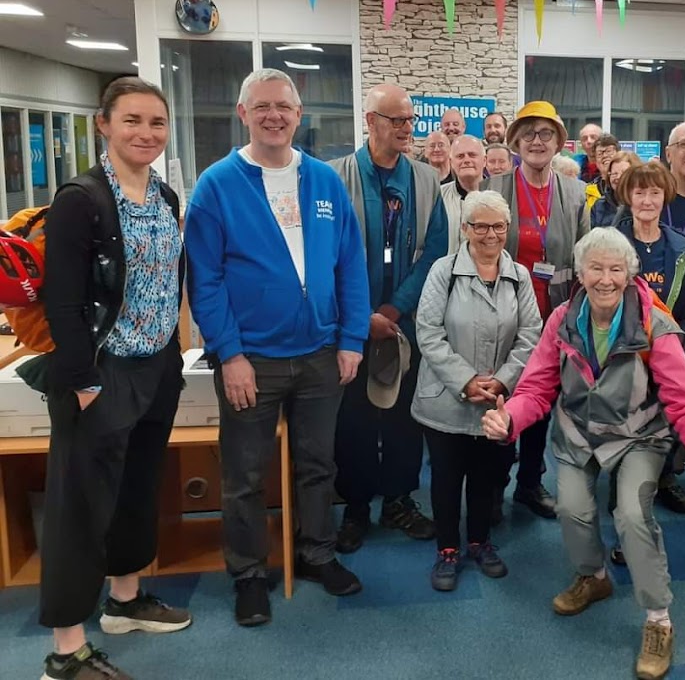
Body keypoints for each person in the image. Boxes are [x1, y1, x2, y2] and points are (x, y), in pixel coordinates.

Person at [480, 227, 685, 680]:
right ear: (580, 274)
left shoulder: (655, 325)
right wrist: (509, 419)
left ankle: (659, 619)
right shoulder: (562, 319)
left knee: (633, 517)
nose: (605, 279)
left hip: (639, 435)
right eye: (595, 268)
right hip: (578, 433)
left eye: (616, 269)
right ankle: (594, 578)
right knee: (572, 509)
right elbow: (537, 387)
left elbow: (684, 402)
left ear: (629, 274)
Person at [186, 69, 369, 627]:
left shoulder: (323, 181)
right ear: (243, 114)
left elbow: (350, 264)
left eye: (284, 107)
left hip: (320, 353)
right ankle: (247, 573)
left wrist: (351, 339)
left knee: (317, 464)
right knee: (244, 474)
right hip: (252, 360)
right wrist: (230, 354)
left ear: (298, 114)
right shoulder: (217, 185)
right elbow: (205, 281)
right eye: (262, 106)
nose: (274, 116)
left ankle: (317, 553)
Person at [38, 78, 188, 680]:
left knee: (136, 492)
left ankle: (124, 601)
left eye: (156, 122)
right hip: (100, 374)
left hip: (156, 369)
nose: (146, 133)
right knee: (80, 510)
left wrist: (171, 360)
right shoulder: (81, 200)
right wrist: (83, 382)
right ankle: (66, 650)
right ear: (104, 125)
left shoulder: (164, 196)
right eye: (132, 120)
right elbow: (63, 302)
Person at [331, 83, 449, 552]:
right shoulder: (335, 177)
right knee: (354, 419)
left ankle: (399, 500)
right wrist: (363, 316)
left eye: (410, 120)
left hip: (405, 323)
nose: (406, 128)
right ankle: (356, 506)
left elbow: (435, 251)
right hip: (351, 324)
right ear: (370, 121)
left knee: (404, 417)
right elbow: (327, 256)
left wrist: (394, 308)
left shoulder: (425, 180)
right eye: (396, 119)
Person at [413, 191, 543, 591]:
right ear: (466, 229)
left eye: (498, 226)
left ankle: (480, 542)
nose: (490, 235)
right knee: (446, 478)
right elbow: (428, 332)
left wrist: (503, 380)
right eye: (481, 226)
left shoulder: (519, 276)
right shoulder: (443, 271)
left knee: (488, 475)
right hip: (445, 399)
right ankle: (447, 549)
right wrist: (465, 381)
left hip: (498, 400)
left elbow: (531, 335)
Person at [482, 100, 590, 519]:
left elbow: (583, 259)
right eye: (528, 134)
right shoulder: (494, 189)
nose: (537, 141)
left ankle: (529, 482)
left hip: (555, 315)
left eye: (546, 134)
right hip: (505, 313)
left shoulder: (576, 193)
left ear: (559, 142)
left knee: (541, 401)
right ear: (515, 142)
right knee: (502, 397)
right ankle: (494, 484)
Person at [615, 161, 685, 517]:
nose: (647, 200)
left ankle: (665, 479)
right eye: (640, 192)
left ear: (665, 196)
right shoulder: (610, 244)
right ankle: (622, 484)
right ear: (628, 196)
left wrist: (673, 350)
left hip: (669, 355)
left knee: (666, 421)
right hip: (621, 355)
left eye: (654, 192)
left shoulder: (684, 248)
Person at [442, 135, 486, 254]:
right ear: (451, 162)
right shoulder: (438, 196)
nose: (466, 160)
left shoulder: (500, 194)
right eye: (460, 156)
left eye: (472, 155)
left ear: (484, 161)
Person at [592, 150, 641, 229]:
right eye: (614, 173)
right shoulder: (599, 205)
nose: (618, 177)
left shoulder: (644, 204)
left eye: (624, 173)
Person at [585, 133, 621, 214]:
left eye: (609, 151)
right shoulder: (587, 192)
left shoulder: (630, 187)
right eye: (600, 153)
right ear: (595, 160)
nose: (604, 156)